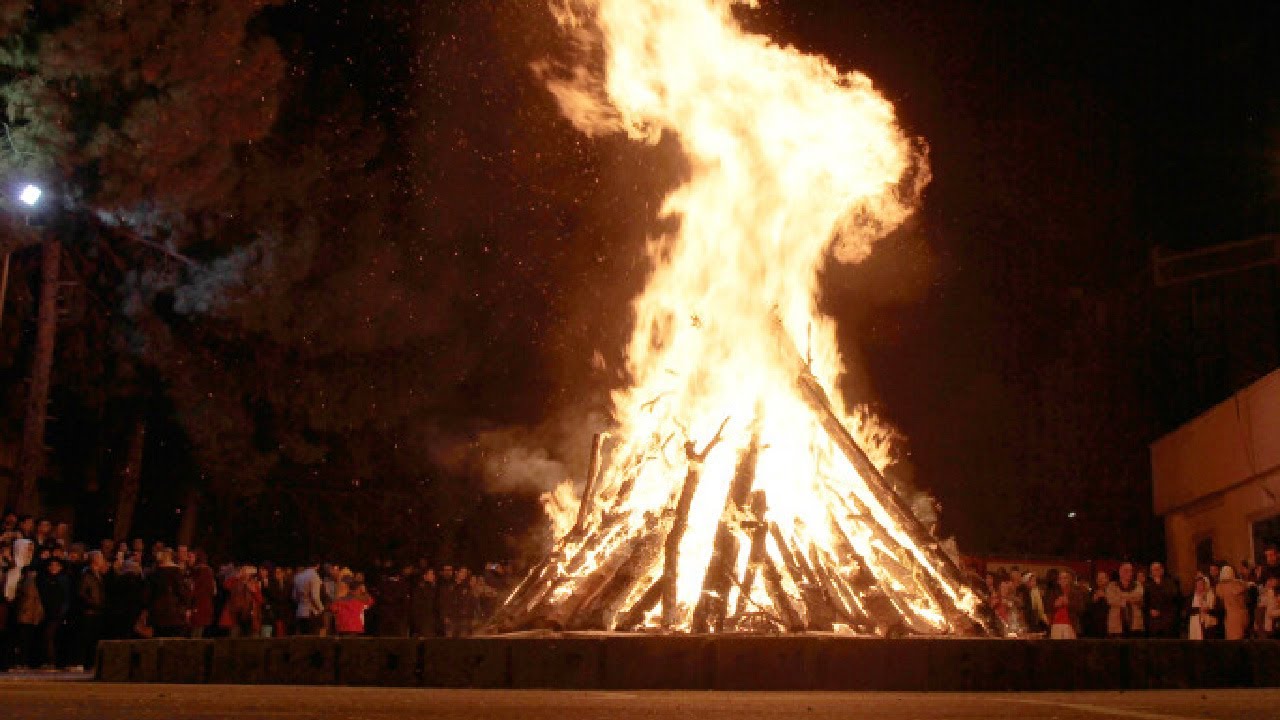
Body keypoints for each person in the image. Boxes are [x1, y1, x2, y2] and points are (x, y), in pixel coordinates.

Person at [145, 549, 191, 637]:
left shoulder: (153, 574)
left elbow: (147, 596)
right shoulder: (177, 573)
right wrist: (187, 606)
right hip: (175, 614)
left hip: (157, 614)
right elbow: (182, 593)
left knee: (158, 641)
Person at [76, 551, 108, 672]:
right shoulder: (87, 575)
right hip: (89, 611)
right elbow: (82, 593)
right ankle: (82, 661)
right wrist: (94, 603)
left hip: (97, 611)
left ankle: (91, 662)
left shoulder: (98, 575)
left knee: (94, 638)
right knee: (86, 638)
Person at [37, 557, 70, 669]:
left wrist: (63, 612)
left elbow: (66, 598)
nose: (53, 568)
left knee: (50, 636)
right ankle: (50, 661)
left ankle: (52, 661)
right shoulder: (45, 580)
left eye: (56, 565)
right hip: (47, 612)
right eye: (51, 565)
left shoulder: (63, 580)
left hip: (57, 613)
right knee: (48, 637)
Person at [1043, 569, 1084, 639]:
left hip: (1070, 624)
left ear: (1070, 579)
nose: (1063, 580)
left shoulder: (1076, 592)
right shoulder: (1052, 592)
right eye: (1060, 578)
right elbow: (1046, 608)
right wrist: (1055, 605)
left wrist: (1068, 603)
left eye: (1065, 578)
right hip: (1055, 625)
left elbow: (1081, 608)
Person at [1106, 563, 1144, 637]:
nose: (1129, 573)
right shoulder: (1112, 585)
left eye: (1131, 571)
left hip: (1135, 624)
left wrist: (1121, 596)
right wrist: (1130, 597)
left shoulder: (1138, 585)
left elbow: (1138, 597)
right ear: (1120, 572)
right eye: (1126, 571)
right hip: (1116, 624)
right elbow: (1111, 599)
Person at [1144, 562, 1181, 638]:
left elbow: (1175, 599)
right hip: (1154, 622)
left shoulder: (1171, 583)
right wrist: (1150, 610)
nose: (1156, 572)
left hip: (1168, 620)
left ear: (1162, 570)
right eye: (1153, 570)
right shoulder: (1147, 585)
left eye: (1157, 569)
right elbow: (1145, 602)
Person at [374, 565, 413, 638]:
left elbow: (379, 599)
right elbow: (405, 601)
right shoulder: (402, 584)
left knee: (385, 639)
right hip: (398, 617)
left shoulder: (383, 584)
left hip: (385, 616)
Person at [188, 551, 217, 638]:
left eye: (191, 557)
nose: (188, 559)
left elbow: (200, 590)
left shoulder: (203, 571)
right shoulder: (197, 571)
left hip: (199, 607)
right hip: (199, 606)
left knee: (196, 635)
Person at [1215, 565, 1249, 640]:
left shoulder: (1220, 587)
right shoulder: (1240, 585)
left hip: (1230, 616)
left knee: (1232, 640)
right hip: (1242, 614)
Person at [293, 561, 325, 635]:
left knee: (303, 639)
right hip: (311, 612)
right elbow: (315, 596)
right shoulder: (314, 576)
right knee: (313, 639)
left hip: (300, 611)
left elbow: (294, 596)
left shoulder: (298, 576)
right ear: (318, 565)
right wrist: (321, 608)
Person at [1187, 574, 1220, 640]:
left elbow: (1217, 611)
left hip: (1208, 626)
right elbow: (1188, 610)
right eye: (1198, 584)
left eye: (1202, 584)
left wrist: (1208, 610)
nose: (1200, 586)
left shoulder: (1211, 597)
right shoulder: (1191, 597)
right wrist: (1199, 609)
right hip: (1195, 624)